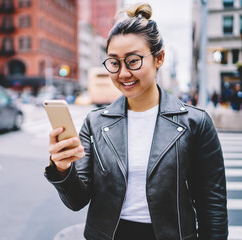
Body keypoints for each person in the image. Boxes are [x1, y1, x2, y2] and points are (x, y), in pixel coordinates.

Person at [44, 3, 228, 240]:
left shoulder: (196, 123)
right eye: (114, 62)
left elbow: (211, 205)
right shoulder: (95, 123)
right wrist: (62, 169)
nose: (122, 73)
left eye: (133, 61)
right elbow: (77, 201)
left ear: (159, 58)